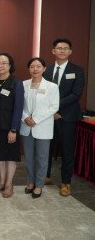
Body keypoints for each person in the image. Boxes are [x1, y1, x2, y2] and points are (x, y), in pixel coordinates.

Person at [44, 38, 85, 197]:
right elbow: (43, 92)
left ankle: (66, 183)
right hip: (48, 116)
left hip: (67, 116)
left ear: (70, 52)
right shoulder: (46, 70)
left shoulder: (77, 70)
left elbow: (76, 94)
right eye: (58, 48)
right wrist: (51, 111)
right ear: (53, 51)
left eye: (65, 48)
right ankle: (45, 176)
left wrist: (56, 108)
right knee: (46, 147)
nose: (62, 50)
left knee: (67, 150)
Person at [0, 53, 24, 198]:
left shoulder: (16, 83)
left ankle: (9, 185)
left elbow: (18, 108)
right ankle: (1, 182)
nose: (0, 65)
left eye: (3, 63)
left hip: (9, 128)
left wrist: (13, 129)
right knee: (0, 156)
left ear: (10, 65)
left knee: (10, 157)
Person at [21, 57, 59, 198]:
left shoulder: (52, 86)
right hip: (26, 126)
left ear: (44, 69)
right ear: (28, 69)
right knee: (29, 157)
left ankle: (39, 185)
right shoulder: (23, 84)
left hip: (42, 126)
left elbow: (54, 106)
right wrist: (25, 117)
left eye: (38, 66)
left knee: (42, 158)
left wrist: (35, 119)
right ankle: (30, 182)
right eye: (32, 66)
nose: (35, 69)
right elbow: (18, 104)